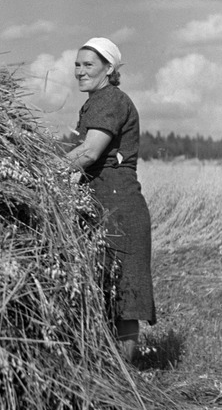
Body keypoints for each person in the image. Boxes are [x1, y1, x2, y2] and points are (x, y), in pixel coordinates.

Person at [65, 37, 156, 362]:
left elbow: (89, 152)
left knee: (123, 297)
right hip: (102, 205)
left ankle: (122, 378)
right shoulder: (96, 102)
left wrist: (42, 170)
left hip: (119, 209)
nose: (79, 71)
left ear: (109, 68)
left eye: (88, 65)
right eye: (77, 64)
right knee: (105, 291)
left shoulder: (110, 100)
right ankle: (107, 368)